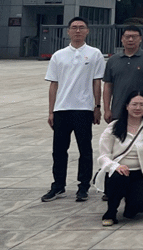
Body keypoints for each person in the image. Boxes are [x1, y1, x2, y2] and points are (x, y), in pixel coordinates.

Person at [42, 16, 106, 203]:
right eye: (74, 27)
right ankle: (58, 185)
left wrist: (97, 107)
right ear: (68, 31)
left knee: (85, 149)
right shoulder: (59, 55)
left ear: (87, 31)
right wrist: (51, 111)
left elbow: (97, 82)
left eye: (81, 27)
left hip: (83, 109)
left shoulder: (94, 54)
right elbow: (53, 84)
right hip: (62, 109)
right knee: (59, 150)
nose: (78, 31)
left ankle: (83, 186)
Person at [95, 91, 143, 226]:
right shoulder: (114, 127)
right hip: (117, 172)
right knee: (119, 178)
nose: (138, 108)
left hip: (138, 173)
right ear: (126, 106)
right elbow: (103, 156)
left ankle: (130, 206)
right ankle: (110, 212)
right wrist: (115, 166)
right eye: (134, 104)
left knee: (141, 204)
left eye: (142, 105)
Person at [102, 25, 143, 124]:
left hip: (140, 110)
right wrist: (106, 109)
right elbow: (108, 86)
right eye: (127, 37)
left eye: (134, 37)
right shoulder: (113, 60)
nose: (131, 39)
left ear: (140, 39)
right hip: (118, 110)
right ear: (122, 39)